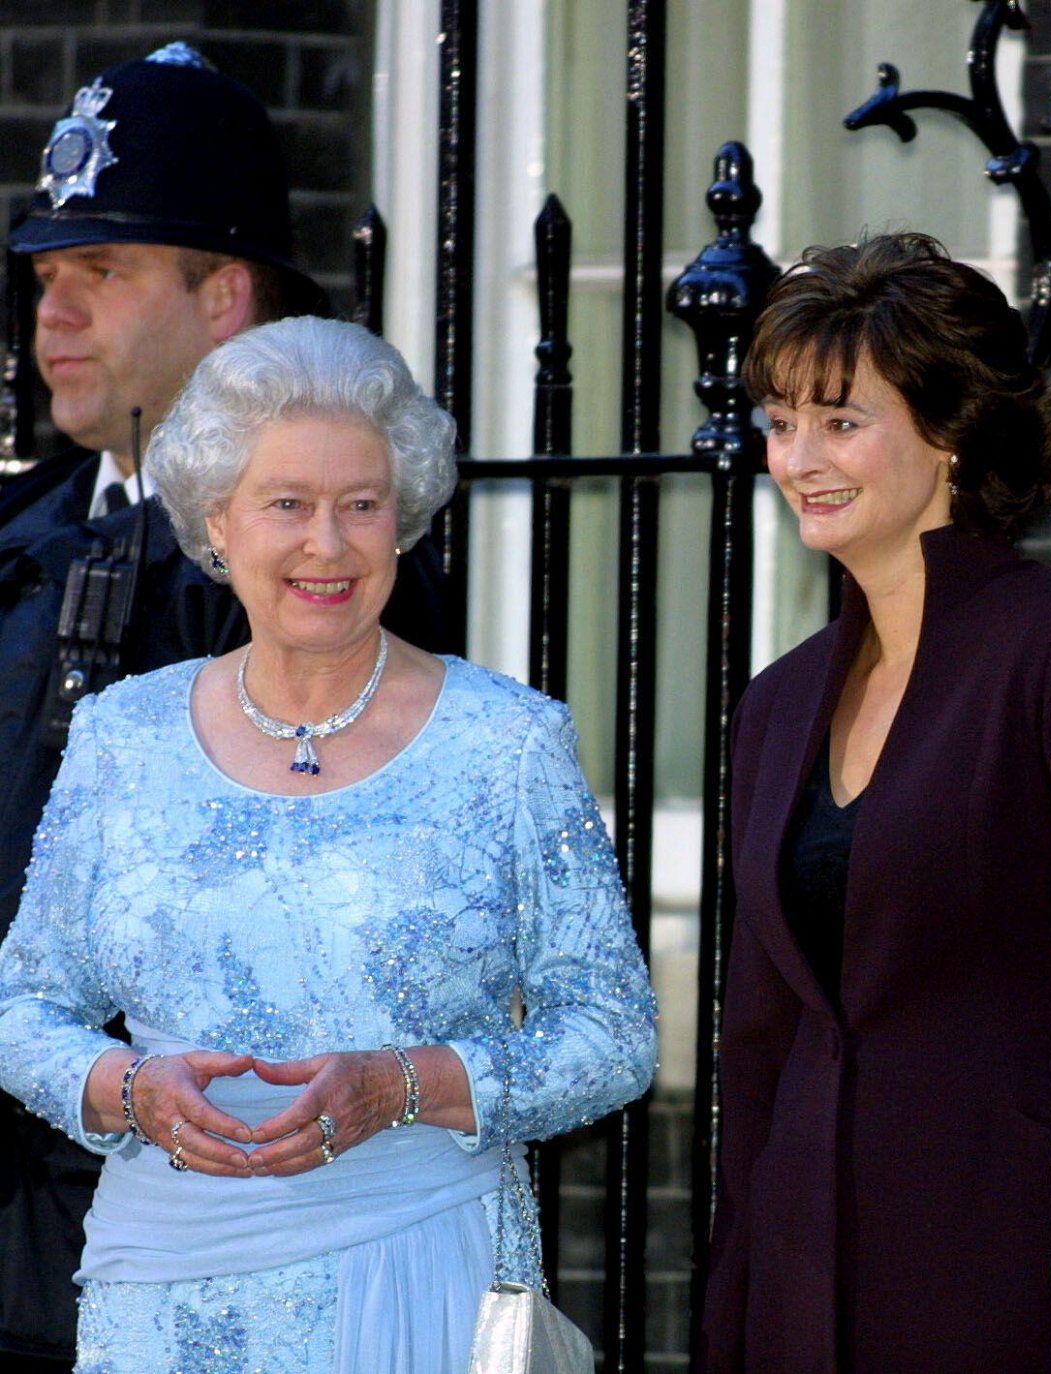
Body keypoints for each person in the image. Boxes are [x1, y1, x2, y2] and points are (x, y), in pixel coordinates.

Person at [0, 314, 657, 1373]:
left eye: (361, 505)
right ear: (218, 520)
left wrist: (406, 1084)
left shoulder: (507, 743)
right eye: (288, 505)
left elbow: (613, 1036)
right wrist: (124, 1090)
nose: (327, 544)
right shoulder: (122, 736)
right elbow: (22, 1006)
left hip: (420, 1276)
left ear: (402, 521)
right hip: (160, 1293)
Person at [0, 44, 447, 1367]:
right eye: (43, 280)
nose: (54, 315)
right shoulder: (25, 530)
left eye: (102, 271)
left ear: (224, 298)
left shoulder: (330, 566)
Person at [700, 232, 1051, 1373]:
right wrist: (733, 1315)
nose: (798, 458)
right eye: (781, 423)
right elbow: (761, 1051)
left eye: (841, 419)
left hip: (1021, 1290)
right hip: (806, 1300)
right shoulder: (777, 707)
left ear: (953, 432)